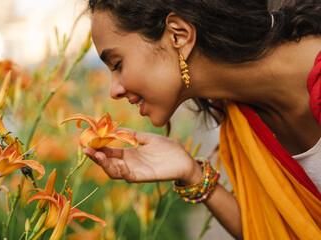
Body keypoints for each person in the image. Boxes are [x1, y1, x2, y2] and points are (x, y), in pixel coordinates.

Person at [83, 0, 321, 239]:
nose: (114, 91)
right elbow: (269, 229)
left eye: (117, 64)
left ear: (179, 35)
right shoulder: (235, 113)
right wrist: (190, 172)